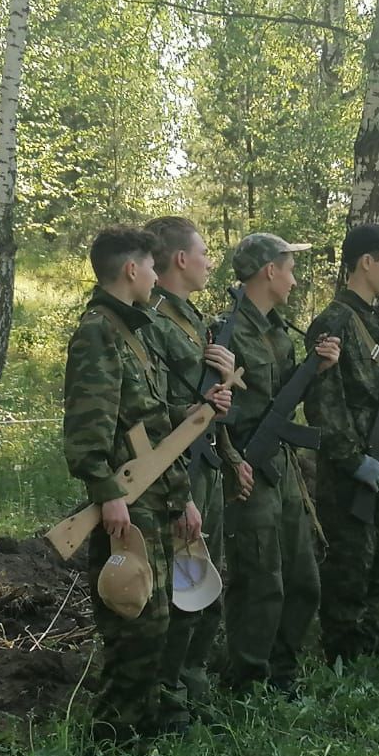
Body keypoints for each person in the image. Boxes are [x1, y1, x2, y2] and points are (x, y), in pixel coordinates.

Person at [63, 225, 230, 742]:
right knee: (133, 623)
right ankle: (112, 741)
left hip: (159, 496)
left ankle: (146, 728)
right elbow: (89, 428)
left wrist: (182, 496)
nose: (158, 276)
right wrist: (107, 494)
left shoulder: (131, 331)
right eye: (151, 268)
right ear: (131, 270)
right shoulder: (98, 331)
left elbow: (150, 424)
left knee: (158, 620)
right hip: (128, 503)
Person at [142, 216, 250, 729]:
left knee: (205, 582)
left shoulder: (190, 318)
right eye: (203, 252)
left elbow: (206, 403)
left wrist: (225, 382)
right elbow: (152, 406)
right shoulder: (155, 322)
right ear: (181, 259)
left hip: (204, 467)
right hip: (174, 473)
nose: (210, 261)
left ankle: (191, 685)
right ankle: (167, 699)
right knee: (182, 587)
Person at [220, 233, 339, 694]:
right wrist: (232, 461)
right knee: (259, 578)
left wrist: (317, 369)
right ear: (270, 271)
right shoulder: (227, 332)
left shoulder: (276, 333)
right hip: (248, 469)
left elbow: (283, 397)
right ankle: (249, 681)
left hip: (281, 464)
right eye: (289, 268)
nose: (293, 278)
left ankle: (283, 672)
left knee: (302, 575)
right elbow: (215, 408)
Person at [304, 224, 379, 666]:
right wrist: (352, 460)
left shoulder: (374, 319)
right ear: (365, 262)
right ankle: (342, 653)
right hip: (348, 467)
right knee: (350, 562)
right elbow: (323, 402)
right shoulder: (334, 322)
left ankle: (373, 646)